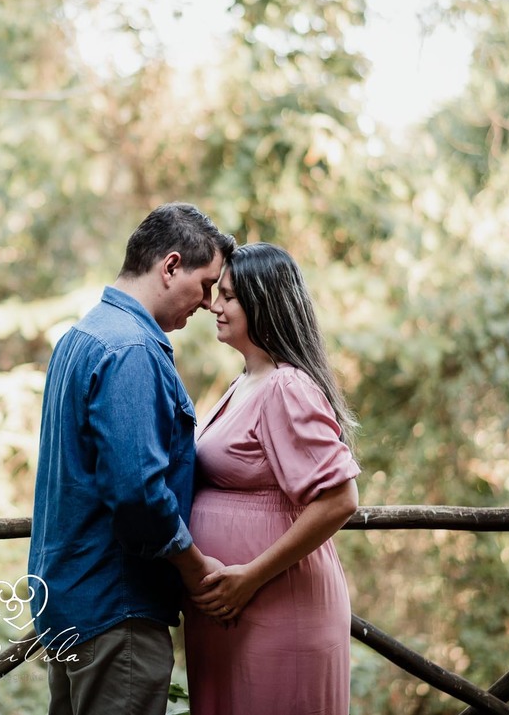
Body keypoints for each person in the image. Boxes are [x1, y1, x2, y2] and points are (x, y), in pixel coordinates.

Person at [27, 202, 237, 715]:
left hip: (70, 603)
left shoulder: (81, 336)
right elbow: (139, 493)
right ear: (170, 266)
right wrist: (195, 568)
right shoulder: (133, 350)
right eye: (206, 285)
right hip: (115, 610)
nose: (208, 303)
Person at [184, 241, 362, 714]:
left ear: (262, 303)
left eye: (228, 296)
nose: (214, 306)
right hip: (237, 609)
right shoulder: (245, 382)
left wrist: (250, 577)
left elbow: (341, 498)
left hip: (277, 605)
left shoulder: (287, 386)